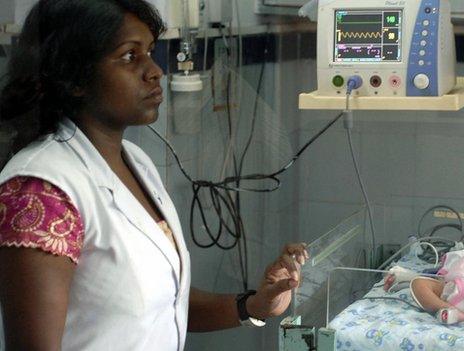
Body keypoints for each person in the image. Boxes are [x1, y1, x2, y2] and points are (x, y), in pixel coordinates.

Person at [0, 1, 307, 350]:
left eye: (149, 52)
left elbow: (163, 303)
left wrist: (253, 306)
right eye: (130, 57)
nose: (155, 70)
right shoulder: (41, 192)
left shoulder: (136, 162)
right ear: (74, 77)